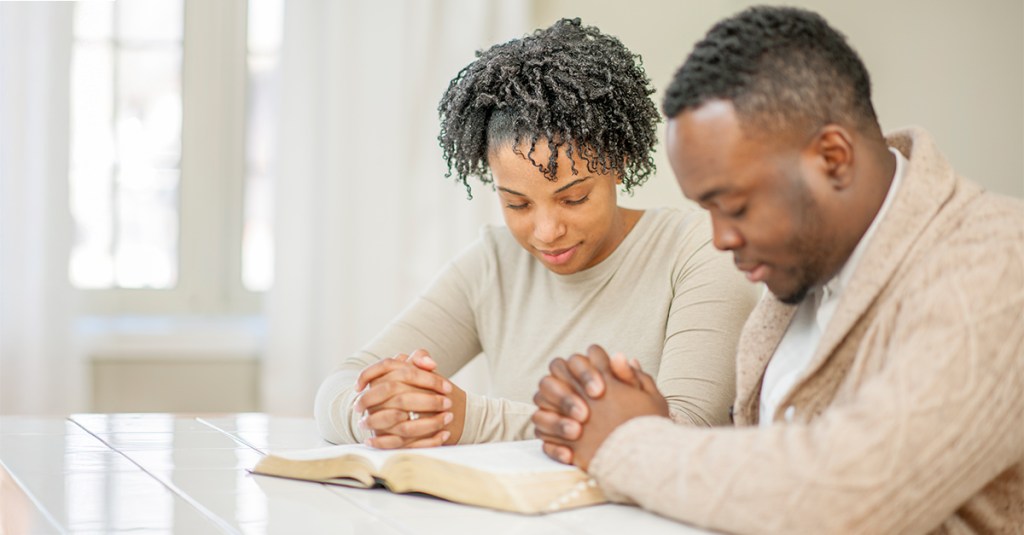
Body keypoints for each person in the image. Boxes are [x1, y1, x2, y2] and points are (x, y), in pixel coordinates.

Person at [532, 6, 1024, 534]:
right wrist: (649, 424)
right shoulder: (807, 268)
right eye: (708, 210)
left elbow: (845, 496)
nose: (721, 238)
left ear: (833, 158)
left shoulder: (998, 264)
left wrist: (628, 440)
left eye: (737, 206)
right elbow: (770, 467)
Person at [314, 18, 758, 449]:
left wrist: (473, 420)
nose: (547, 233)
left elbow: (684, 430)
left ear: (618, 162)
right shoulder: (494, 263)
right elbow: (341, 383)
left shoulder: (698, 251)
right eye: (517, 204)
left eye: (574, 198)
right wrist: (375, 413)